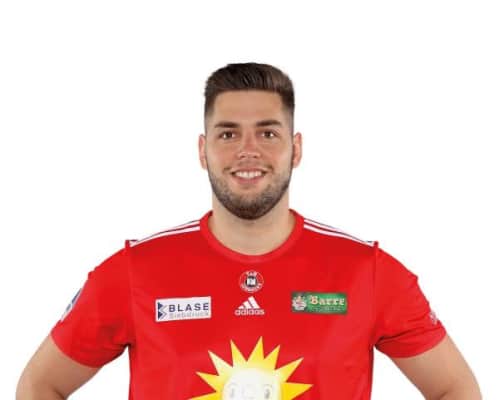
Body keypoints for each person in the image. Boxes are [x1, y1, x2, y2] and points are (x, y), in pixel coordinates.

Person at [16, 62, 481, 399]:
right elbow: (40, 385)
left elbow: (456, 388)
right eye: (228, 134)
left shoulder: (368, 271)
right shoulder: (134, 271)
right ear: (203, 150)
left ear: (296, 148)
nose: (248, 150)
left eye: (268, 133)